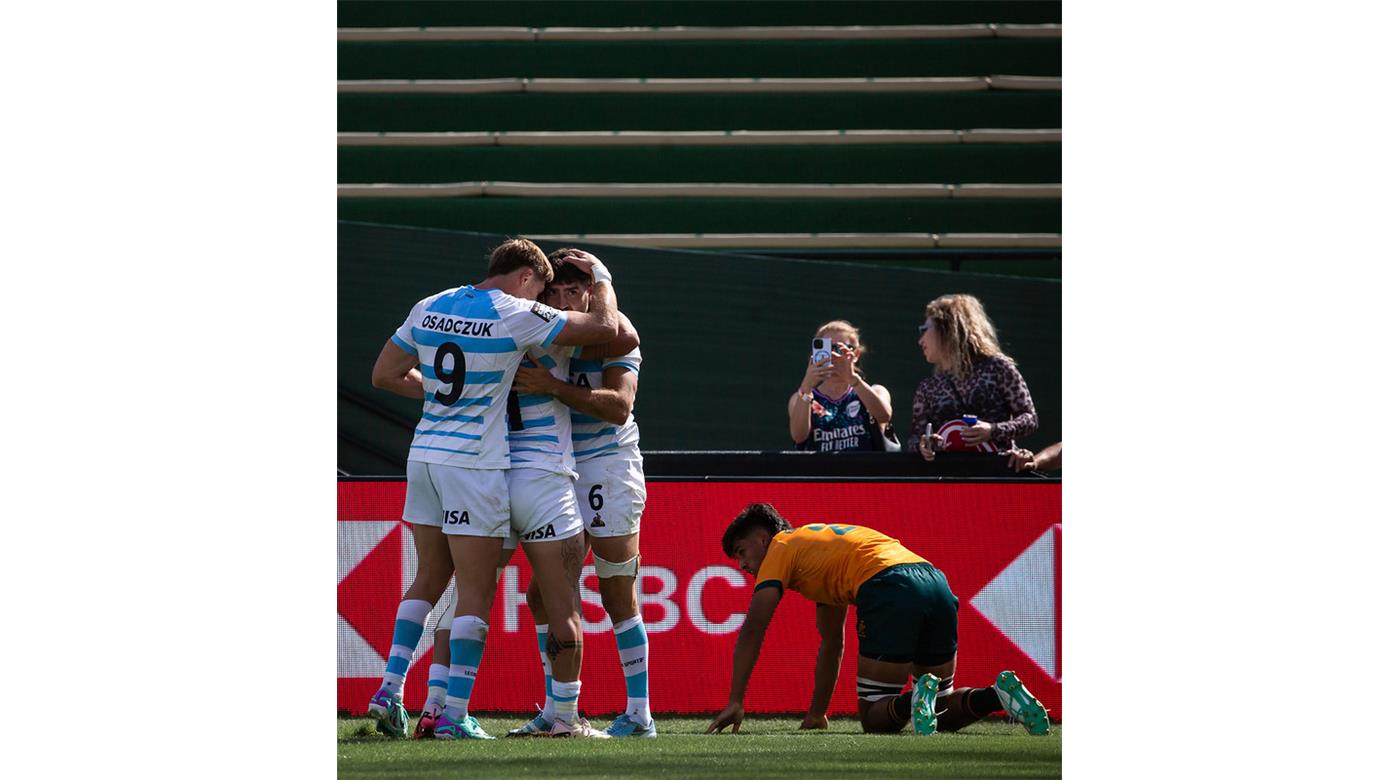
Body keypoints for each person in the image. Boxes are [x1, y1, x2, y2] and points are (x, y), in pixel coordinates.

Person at [366, 238, 620, 740]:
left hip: (425, 456)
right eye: (541, 289)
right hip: (486, 466)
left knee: (430, 580)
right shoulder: (517, 314)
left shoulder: (431, 303)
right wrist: (602, 278)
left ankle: (396, 691)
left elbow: (384, 375)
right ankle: (474, 715)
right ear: (526, 277)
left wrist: (442, 391)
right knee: (492, 594)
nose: (543, 298)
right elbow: (611, 330)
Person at [705, 503, 1050, 737]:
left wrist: (735, 700)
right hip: (934, 582)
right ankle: (998, 696)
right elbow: (832, 643)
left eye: (742, 552)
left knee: (874, 717)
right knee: (941, 711)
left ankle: (914, 700)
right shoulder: (816, 555)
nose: (742, 565)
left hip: (889, 585)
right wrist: (816, 714)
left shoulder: (781, 546)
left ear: (763, 538)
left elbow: (754, 626)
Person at [505, 251, 656, 738]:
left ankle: (640, 714)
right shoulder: (549, 328)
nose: (564, 300)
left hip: (609, 466)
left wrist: (552, 385)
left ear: (593, 292)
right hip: (562, 469)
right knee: (541, 596)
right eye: (555, 292)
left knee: (617, 592)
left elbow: (619, 406)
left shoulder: (611, 330)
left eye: (575, 290)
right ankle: (557, 709)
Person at [908, 294, 1038, 460]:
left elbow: (1030, 419)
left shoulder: (997, 367)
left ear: (947, 329)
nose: (920, 341)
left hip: (995, 470)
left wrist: (992, 430)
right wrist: (925, 445)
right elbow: (914, 439)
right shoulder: (928, 387)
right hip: (948, 474)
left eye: (924, 329)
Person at [788, 320, 894, 453]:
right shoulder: (802, 398)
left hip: (864, 466)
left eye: (841, 349)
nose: (835, 356)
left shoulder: (876, 391)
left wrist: (853, 379)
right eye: (828, 349)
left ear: (856, 354)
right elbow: (799, 436)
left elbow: (884, 417)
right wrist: (806, 386)